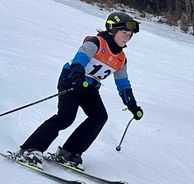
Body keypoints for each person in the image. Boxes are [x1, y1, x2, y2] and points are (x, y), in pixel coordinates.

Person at [16, 12, 144, 170]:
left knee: (99, 117)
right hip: (71, 79)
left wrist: (132, 105)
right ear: (112, 30)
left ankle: (69, 152)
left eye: (130, 35)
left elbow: (123, 83)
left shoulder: (121, 59)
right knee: (66, 117)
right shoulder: (96, 43)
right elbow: (80, 60)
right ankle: (30, 149)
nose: (127, 37)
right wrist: (77, 77)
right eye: (124, 32)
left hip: (90, 87)